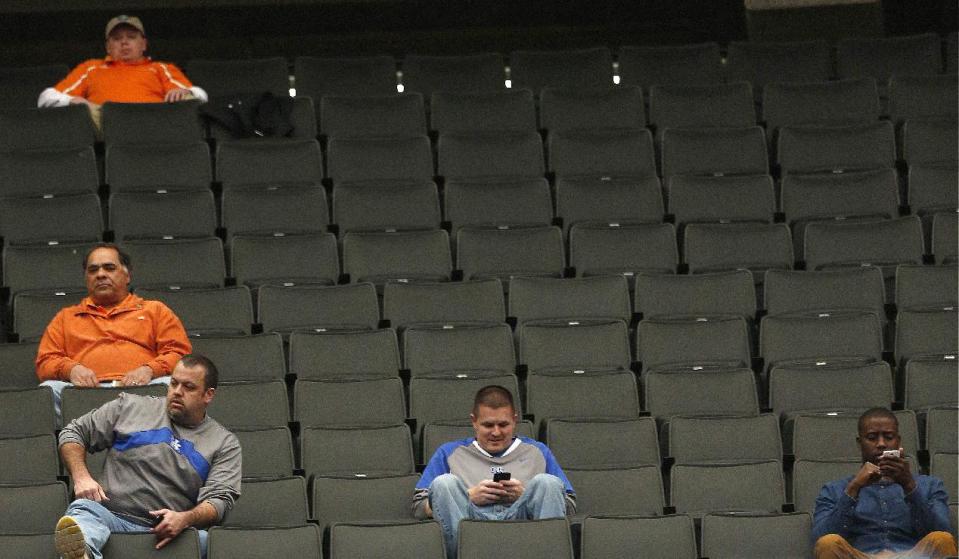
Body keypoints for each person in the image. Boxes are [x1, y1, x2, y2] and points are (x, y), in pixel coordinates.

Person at [54, 354, 241, 559]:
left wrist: (185, 519)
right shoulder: (130, 407)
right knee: (83, 511)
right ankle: (83, 554)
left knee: (207, 542)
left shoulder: (224, 443)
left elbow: (219, 500)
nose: (177, 392)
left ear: (208, 395)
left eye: (188, 387)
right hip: (108, 516)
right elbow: (73, 432)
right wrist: (81, 477)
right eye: (174, 383)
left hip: (167, 534)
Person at [412, 385, 575, 559]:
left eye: (503, 424)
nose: (496, 432)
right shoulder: (449, 452)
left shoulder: (537, 451)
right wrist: (468, 496)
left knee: (547, 483)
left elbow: (569, 506)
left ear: (514, 420)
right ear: (474, 421)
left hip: (523, 524)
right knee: (444, 483)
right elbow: (419, 507)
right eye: (488, 425)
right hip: (469, 523)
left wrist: (526, 495)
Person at [36, 243, 192, 423]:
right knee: (48, 390)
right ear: (86, 278)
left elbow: (180, 355)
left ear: (127, 275)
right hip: (83, 395)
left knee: (170, 387)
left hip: (142, 390)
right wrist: (71, 370)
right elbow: (45, 362)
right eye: (93, 270)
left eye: (109, 268)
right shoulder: (66, 317)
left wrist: (149, 370)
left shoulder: (155, 310)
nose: (100, 274)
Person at [812, 407, 957, 559]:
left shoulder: (930, 485)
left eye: (888, 437)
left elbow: (944, 533)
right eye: (872, 437)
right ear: (859, 442)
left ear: (898, 441)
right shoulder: (834, 489)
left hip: (913, 556)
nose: (881, 444)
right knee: (828, 543)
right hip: (861, 556)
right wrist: (853, 489)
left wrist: (909, 486)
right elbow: (819, 540)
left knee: (942, 539)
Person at [37, 15, 207, 127]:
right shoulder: (91, 68)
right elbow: (46, 98)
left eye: (131, 37)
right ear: (108, 47)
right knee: (81, 110)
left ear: (144, 44)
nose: (124, 43)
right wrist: (73, 101)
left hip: (154, 122)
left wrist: (184, 91)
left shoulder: (160, 68)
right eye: (117, 39)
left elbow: (199, 96)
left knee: (187, 99)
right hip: (107, 124)